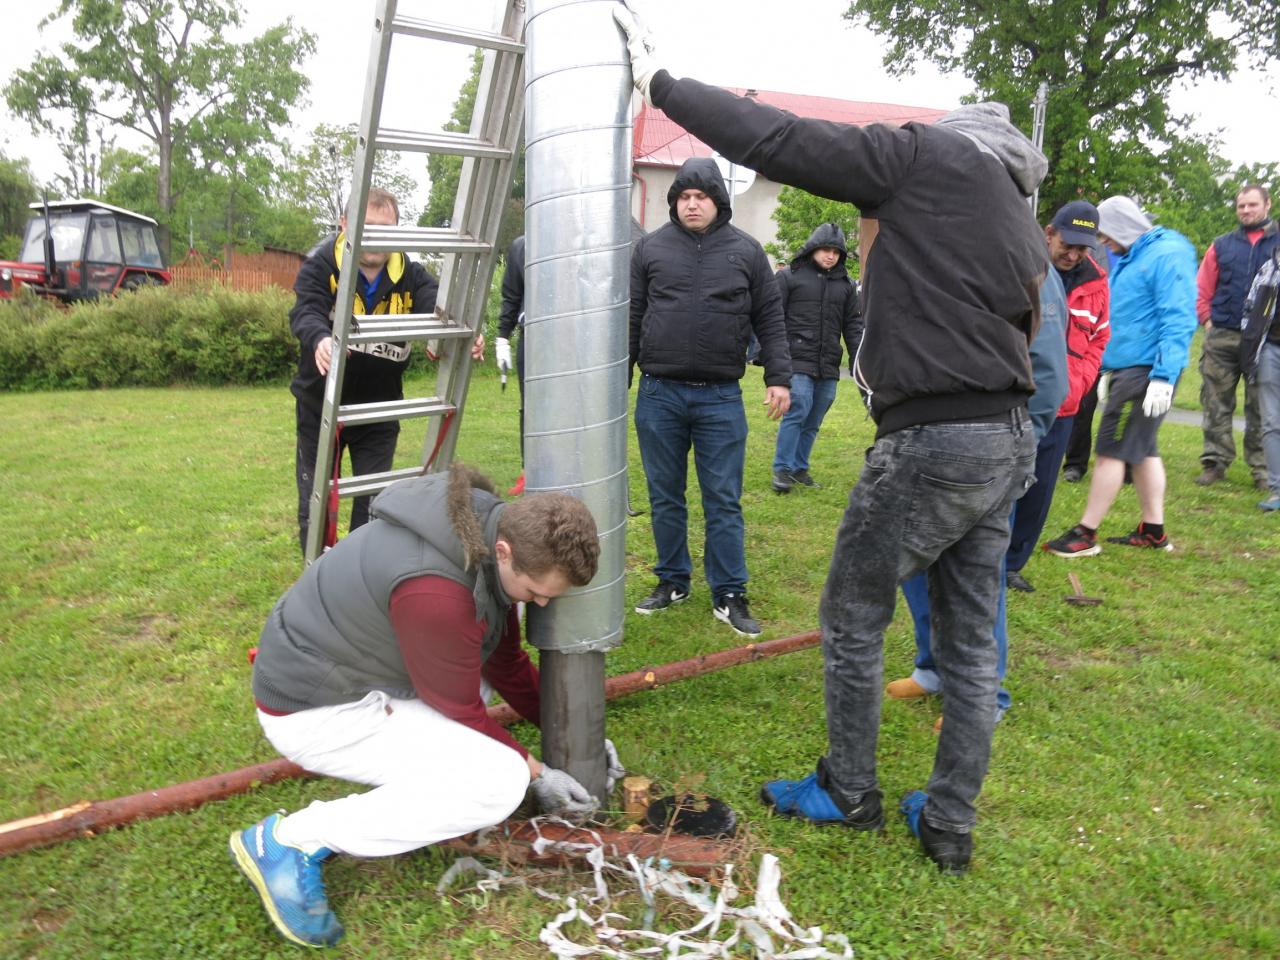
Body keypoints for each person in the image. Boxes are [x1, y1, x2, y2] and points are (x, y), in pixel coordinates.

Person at [614, 10, 1044, 873]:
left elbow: (781, 139)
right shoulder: (1016, 211)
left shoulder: (925, 156)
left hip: (933, 442)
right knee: (970, 644)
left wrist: (664, 88)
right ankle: (949, 821)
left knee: (852, 616)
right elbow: (1024, 325)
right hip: (1007, 439)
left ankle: (849, 790)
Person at [229, 463, 616, 948]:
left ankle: (417, 787)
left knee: (482, 723)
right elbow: (458, 707)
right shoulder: (438, 594)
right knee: (498, 784)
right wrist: (536, 771)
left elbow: (505, 663)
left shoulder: (489, 534)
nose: (540, 604)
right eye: (536, 593)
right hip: (314, 710)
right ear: (504, 551)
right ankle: (288, 841)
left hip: (357, 672)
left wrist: (575, 732)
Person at [889, 266, 1068, 726]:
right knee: (916, 564)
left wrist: (1017, 444)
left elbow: (1047, 372)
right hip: (922, 440)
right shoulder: (931, 248)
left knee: (975, 575)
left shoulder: (1023, 260)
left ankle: (981, 698)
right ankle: (934, 669)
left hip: (988, 448)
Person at [629, 156, 791, 638]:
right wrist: (619, 378)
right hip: (659, 394)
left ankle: (729, 592)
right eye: (684, 196)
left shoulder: (747, 252)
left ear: (718, 200)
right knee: (665, 496)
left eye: (701, 196)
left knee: (723, 499)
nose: (692, 204)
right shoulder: (649, 249)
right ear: (674, 201)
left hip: (720, 397)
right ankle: (672, 580)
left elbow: (770, 318)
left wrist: (778, 377)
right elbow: (632, 315)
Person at [1044, 196, 1198, 556]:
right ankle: (1153, 530)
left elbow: (1178, 317)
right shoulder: (1135, 255)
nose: (1103, 243)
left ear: (1123, 226)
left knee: (1111, 448)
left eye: (1106, 234)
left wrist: (1164, 376)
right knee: (1143, 449)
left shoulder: (1167, 254)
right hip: (1130, 368)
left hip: (1146, 372)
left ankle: (1085, 533)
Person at [289, 188, 437, 554]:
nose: (377, 238)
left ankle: (357, 574)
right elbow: (305, 310)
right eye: (367, 227)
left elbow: (438, 306)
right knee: (315, 504)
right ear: (345, 224)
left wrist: (461, 335)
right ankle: (316, 575)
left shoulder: (410, 273)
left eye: (386, 229)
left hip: (379, 411)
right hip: (321, 408)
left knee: (372, 506)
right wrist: (320, 338)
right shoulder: (322, 264)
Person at [1004, 201, 1111, 592]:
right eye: (1067, 244)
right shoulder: (1023, 267)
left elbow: (1100, 336)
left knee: (1039, 491)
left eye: (1082, 248)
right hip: (1016, 401)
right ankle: (986, 559)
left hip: (1064, 406)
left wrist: (1079, 382)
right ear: (1049, 233)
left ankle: (1011, 564)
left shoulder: (1097, 282)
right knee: (1004, 484)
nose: (1073, 254)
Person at [1193, 184, 1279, 489]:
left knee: (1262, 407)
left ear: (1267, 205)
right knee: (1215, 401)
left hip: (1266, 340)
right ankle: (1215, 462)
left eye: (1252, 205)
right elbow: (1203, 287)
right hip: (1223, 334)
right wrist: (1207, 321)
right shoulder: (1221, 245)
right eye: (1241, 206)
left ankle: (1262, 469)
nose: (1246, 210)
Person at [770, 222, 862, 494]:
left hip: (828, 362)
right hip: (796, 358)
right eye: (825, 249)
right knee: (798, 409)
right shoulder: (788, 277)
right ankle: (782, 469)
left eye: (836, 251)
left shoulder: (846, 285)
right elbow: (772, 318)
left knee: (814, 418)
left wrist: (857, 361)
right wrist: (771, 356)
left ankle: (799, 468)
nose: (830, 255)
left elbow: (853, 327)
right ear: (812, 249)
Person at [1241, 246, 1280, 510]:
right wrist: (1252, 343)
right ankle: (1277, 491)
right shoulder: (1269, 269)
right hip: (1270, 352)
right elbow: (1249, 310)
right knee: (1271, 422)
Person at [496, 235, 527, 496]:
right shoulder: (521, 246)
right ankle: (530, 470)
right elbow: (512, 296)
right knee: (530, 407)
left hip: (574, 337)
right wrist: (503, 338)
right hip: (533, 339)